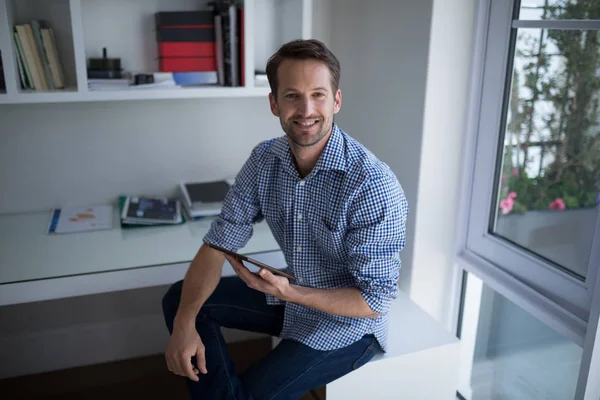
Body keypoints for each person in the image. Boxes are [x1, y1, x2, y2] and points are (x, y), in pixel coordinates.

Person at [161, 38, 409, 399]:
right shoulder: (265, 160)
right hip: (292, 296)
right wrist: (183, 325)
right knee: (179, 300)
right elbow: (217, 245)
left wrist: (289, 291)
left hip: (351, 326)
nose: (306, 109)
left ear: (336, 100)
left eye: (318, 95)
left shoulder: (372, 184)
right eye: (292, 95)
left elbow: (375, 301)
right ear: (274, 103)